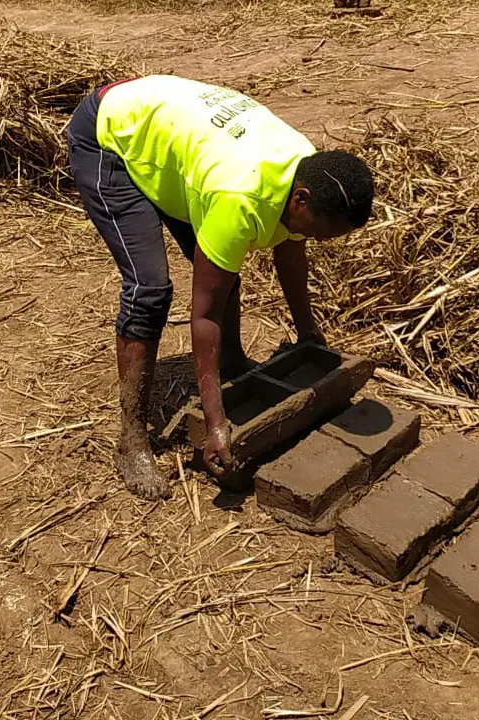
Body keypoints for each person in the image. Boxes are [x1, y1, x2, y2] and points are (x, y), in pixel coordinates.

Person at [67, 74, 374, 500]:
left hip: (173, 144)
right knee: (150, 289)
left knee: (223, 274)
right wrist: (215, 424)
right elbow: (204, 315)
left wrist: (309, 334)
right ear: (300, 200)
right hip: (112, 133)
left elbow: (292, 251)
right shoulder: (241, 197)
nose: (321, 241)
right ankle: (132, 438)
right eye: (323, 233)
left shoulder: (310, 171)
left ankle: (231, 362)